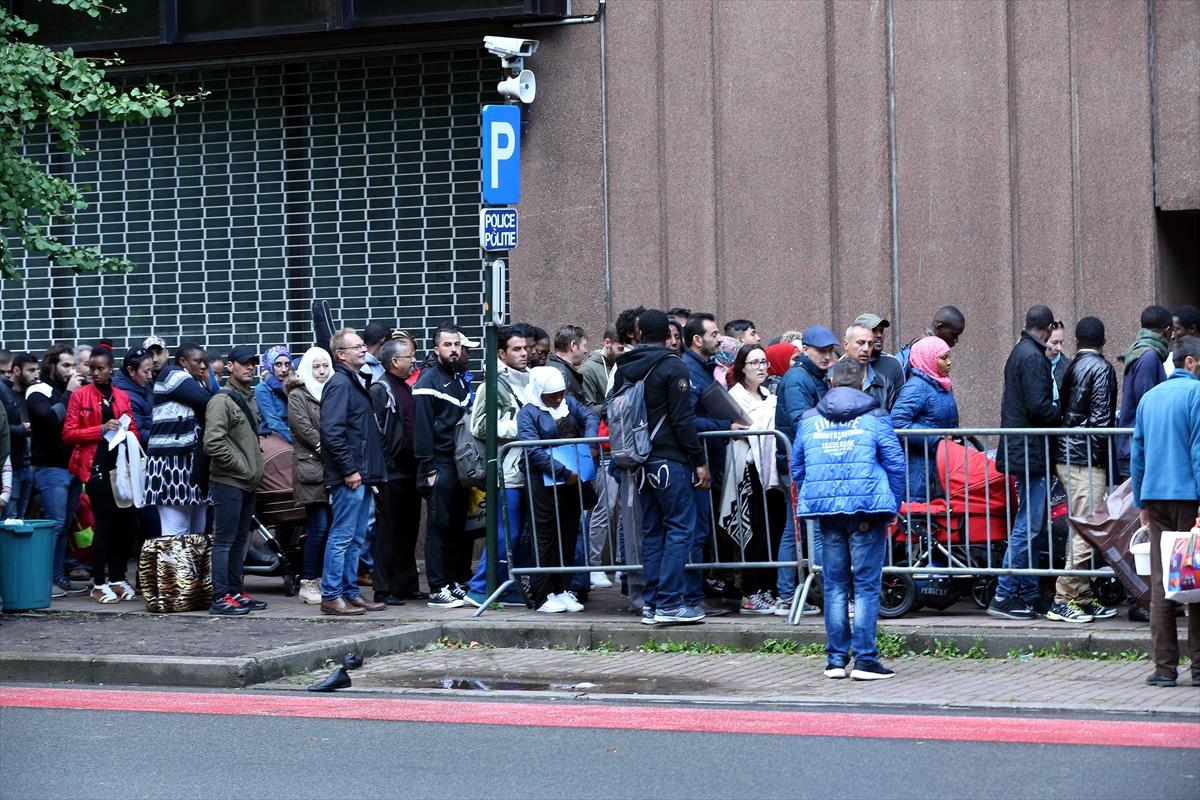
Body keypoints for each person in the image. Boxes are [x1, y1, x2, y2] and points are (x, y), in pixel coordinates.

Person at [792, 358, 906, 680]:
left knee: (836, 585)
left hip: (827, 512)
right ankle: (866, 659)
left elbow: (798, 465)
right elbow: (895, 464)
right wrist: (891, 504)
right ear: (862, 383)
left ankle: (836, 660)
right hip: (868, 508)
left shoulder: (810, 419)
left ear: (831, 382)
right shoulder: (876, 416)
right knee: (867, 586)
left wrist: (815, 492)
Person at [612, 309, 710, 625]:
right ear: (669, 335)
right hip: (671, 460)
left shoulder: (625, 366)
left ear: (639, 334)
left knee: (653, 532)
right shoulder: (671, 366)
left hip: (641, 461)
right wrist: (699, 461)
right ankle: (669, 602)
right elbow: (682, 421)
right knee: (681, 528)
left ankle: (652, 603)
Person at [1131, 335, 1200, 688]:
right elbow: (1198, 451)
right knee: (1196, 579)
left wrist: (1140, 502)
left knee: (1161, 585)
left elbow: (1137, 453)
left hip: (1155, 499)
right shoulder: (1196, 395)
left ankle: (1164, 668)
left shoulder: (1149, 398)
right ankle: (1199, 667)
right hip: (1189, 499)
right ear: (1190, 362)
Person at [989, 305, 1060, 620]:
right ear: (1046, 328)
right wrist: (1063, 413)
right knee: (1027, 527)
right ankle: (1004, 596)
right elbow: (1039, 407)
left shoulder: (1022, 352)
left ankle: (1028, 594)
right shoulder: (1032, 357)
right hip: (1030, 452)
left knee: (1030, 527)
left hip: (1025, 451)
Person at [1046, 317, 1118, 624]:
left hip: (1068, 453)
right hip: (1086, 458)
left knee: (1082, 525)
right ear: (1103, 342)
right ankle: (1063, 598)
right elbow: (1101, 422)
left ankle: (1082, 596)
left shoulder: (1072, 366)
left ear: (1076, 342)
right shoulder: (1101, 369)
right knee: (1085, 528)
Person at [62, 346, 141, 604]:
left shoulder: (121, 395)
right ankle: (98, 582)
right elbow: (69, 433)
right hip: (94, 466)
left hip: (121, 468)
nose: (94, 373)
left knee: (126, 523)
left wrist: (129, 433)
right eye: (91, 368)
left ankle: (117, 578)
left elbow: (134, 429)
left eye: (100, 368)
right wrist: (100, 428)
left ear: (110, 369)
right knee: (105, 524)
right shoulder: (80, 396)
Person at [517, 366, 600, 612]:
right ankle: (542, 593)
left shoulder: (569, 403)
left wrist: (591, 441)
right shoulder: (528, 413)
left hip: (572, 482)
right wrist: (563, 472)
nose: (557, 399)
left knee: (568, 532)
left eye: (560, 393)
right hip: (544, 481)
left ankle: (563, 588)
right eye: (551, 395)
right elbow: (532, 450)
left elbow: (590, 417)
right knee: (545, 535)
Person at [319, 328, 387, 616]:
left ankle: (349, 593)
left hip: (362, 474)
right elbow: (332, 432)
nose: (363, 350)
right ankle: (332, 595)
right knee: (343, 535)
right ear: (341, 354)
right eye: (356, 347)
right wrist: (349, 470)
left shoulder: (353, 381)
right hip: (351, 476)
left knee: (356, 537)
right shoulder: (340, 384)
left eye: (362, 345)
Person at [682, 312, 746, 617]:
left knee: (702, 530)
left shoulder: (702, 368)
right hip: (696, 461)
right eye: (714, 333)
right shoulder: (688, 369)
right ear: (697, 340)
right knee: (696, 530)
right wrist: (724, 425)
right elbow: (687, 420)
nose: (719, 338)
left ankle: (696, 592)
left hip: (707, 458)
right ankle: (691, 595)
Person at [463, 327, 532, 607]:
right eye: (517, 349)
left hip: (527, 468)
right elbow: (478, 426)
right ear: (502, 353)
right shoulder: (491, 383)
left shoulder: (529, 378)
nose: (524, 353)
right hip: (507, 469)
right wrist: (519, 428)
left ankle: (507, 585)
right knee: (507, 533)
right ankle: (480, 587)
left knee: (521, 533)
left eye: (525, 348)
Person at [203, 346, 267, 615]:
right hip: (229, 481)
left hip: (246, 482)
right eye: (244, 363)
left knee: (240, 540)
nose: (249, 367)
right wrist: (242, 467)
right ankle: (221, 597)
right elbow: (212, 442)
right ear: (231, 367)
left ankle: (235, 591)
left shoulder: (249, 398)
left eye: (253, 363)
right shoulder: (221, 401)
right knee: (225, 540)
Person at [412, 323, 472, 608]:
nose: (454, 350)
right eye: (448, 345)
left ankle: (450, 582)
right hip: (439, 463)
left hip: (458, 464)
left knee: (456, 527)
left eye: (457, 345)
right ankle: (437, 589)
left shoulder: (460, 379)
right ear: (436, 349)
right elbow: (421, 428)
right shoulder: (428, 380)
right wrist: (429, 468)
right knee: (439, 526)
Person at [723, 344, 785, 614]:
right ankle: (751, 592)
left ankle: (767, 589)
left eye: (764, 362)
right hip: (747, 471)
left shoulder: (767, 394)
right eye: (754, 363)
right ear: (741, 367)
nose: (761, 368)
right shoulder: (735, 396)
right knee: (754, 529)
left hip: (767, 470)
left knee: (771, 528)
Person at [368, 335, 424, 605]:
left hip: (410, 471)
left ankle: (406, 584)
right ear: (394, 361)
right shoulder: (381, 389)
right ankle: (385, 588)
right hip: (392, 473)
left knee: (408, 530)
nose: (413, 361)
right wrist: (384, 468)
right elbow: (377, 433)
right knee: (389, 533)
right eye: (409, 356)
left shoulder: (405, 386)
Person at [27, 344, 84, 594]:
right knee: (55, 524)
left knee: (66, 524)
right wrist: (70, 393)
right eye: (65, 365)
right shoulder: (38, 390)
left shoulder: (70, 391)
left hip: (71, 466)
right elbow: (51, 419)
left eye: (72, 365)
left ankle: (59, 577)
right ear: (51, 365)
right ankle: (44, 581)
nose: (71, 370)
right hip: (51, 468)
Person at [145, 343, 213, 537]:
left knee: (197, 537)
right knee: (176, 538)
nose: (203, 366)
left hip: (192, 468)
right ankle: (174, 570)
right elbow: (209, 402)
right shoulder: (172, 375)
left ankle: (192, 570)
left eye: (204, 362)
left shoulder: (195, 381)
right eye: (197, 361)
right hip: (171, 466)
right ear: (183, 361)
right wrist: (210, 384)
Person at [579, 327, 625, 589]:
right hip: (604, 445)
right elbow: (588, 407)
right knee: (603, 508)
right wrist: (612, 406)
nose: (623, 352)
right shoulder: (591, 369)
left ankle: (621, 564)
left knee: (621, 510)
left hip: (616, 444)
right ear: (608, 343)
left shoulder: (613, 365)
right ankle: (593, 565)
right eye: (619, 347)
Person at [287, 346, 333, 605]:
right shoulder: (298, 394)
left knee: (331, 528)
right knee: (319, 527)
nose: (322, 371)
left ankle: (325, 579)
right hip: (312, 469)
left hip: (332, 470)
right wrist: (327, 448)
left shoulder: (333, 390)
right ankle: (309, 581)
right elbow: (302, 427)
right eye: (316, 366)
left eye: (325, 365)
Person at [889, 336, 958, 503]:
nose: (949, 362)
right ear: (928, 359)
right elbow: (897, 422)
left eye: (949, 357)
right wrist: (937, 439)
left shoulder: (942, 385)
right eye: (943, 358)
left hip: (938, 466)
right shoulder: (917, 387)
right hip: (918, 470)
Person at [112, 346, 160, 541]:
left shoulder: (142, 387)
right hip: (134, 463)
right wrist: (162, 433)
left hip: (143, 461)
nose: (150, 376)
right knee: (148, 519)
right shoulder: (126, 395)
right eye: (145, 371)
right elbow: (137, 433)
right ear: (131, 371)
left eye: (151, 370)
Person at [1117, 305, 1174, 466]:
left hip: (1137, 446)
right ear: (1166, 330)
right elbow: (1147, 403)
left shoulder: (1143, 353)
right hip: (1139, 449)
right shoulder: (1149, 356)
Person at [0, 352, 35, 518]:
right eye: (31, 370)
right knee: (9, 518)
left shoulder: (33, 393)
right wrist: (21, 429)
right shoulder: (4, 393)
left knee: (22, 518)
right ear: (17, 370)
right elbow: (3, 429)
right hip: (11, 464)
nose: (35, 374)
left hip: (28, 464)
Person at [842, 323, 900, 411]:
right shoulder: (831, 378)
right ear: (846, 344)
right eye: (860, 343)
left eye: (870, 344)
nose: (866, 349)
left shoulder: (885, 383)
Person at [853, 313, 905, 410]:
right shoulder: (842, 365)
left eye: (881, 331)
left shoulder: (893, 364)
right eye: (873, 331)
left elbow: (901, 406)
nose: (879, 335)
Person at [253, 346, 292, 442]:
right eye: (278, 365)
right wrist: (294, 441)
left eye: (287, 365)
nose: (284, 369)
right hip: (273, 440)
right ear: (270, 365)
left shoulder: (291, 386)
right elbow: (273, 421)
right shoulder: (262, 388)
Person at [547, 325, 588, 399]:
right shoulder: (562, 374)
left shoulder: (553, 368)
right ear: (573, 346)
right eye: (584, 346)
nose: (585, 351)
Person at [1046, 320, 1067, 399]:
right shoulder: (1025, 364)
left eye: (1061, 343)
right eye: (1054, 342)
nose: (1059, 348)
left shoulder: (1069, 367)